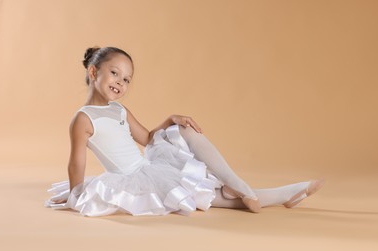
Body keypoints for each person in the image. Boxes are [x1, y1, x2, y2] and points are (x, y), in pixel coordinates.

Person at [45, 46, 324, 217]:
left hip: (151, 167)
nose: (121, 82)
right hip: (133, 179)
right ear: (94, 73)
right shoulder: (83, 119)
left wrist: (169, 120)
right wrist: (76, 193)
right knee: (209, 197)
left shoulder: (119, 110)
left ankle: (240, 185)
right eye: (115, 73)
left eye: (127, 78)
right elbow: (76, 162)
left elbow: (146, 138)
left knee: (184, 130)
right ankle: (281, 193)